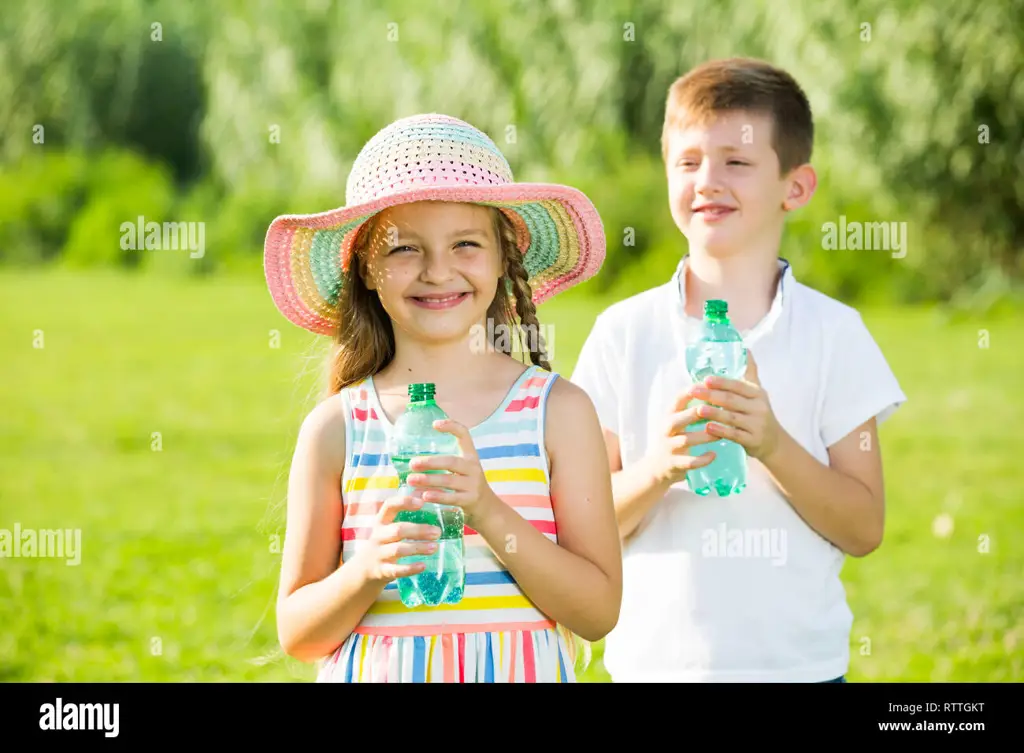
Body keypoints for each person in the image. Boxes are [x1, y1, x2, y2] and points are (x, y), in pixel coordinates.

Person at [570, 58, 907, 682]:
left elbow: (863, 528)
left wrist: (774, 445)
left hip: (799, 670)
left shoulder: (835, 335)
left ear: (796, 187)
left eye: (737, 161)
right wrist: (659, 468)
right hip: (656, 667)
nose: (708, 181)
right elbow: (581, 524)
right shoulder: (625, 332)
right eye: (689, 161)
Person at [268, 113, 622, 683]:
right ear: (365, 268)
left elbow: (597, 612)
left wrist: (485, 508)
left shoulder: (557, 413)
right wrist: (367, 571)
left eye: (465, 244)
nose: (438, 271)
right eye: (405, 248)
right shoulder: (338, 427)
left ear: (503, 257)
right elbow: (299, 633)